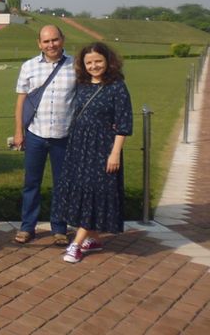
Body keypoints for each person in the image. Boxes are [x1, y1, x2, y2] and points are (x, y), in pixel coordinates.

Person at [52, 42, 132, 263]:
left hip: (103, 148)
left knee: (94, 193)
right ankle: (94, 238)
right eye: (89, 62)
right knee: (81, 189)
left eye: (98, 61)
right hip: (79, 146)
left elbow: (123, 123)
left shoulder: (117, 86)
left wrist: (115, 153)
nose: (94, 66)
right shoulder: (83, 84)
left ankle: (76, 244)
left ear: (108, 61)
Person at [13, 25, 76, 246]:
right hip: (35, 134)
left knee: (62, 183)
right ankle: (27, 227)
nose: (51, 45)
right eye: (46, 41)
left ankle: (59, 227)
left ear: (62, 40)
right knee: (31, 182)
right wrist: (18, 131)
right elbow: (21, 101)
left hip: (64, 135)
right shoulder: (29, 66)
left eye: (55, 40)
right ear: (39, 44)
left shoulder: (75, 65)